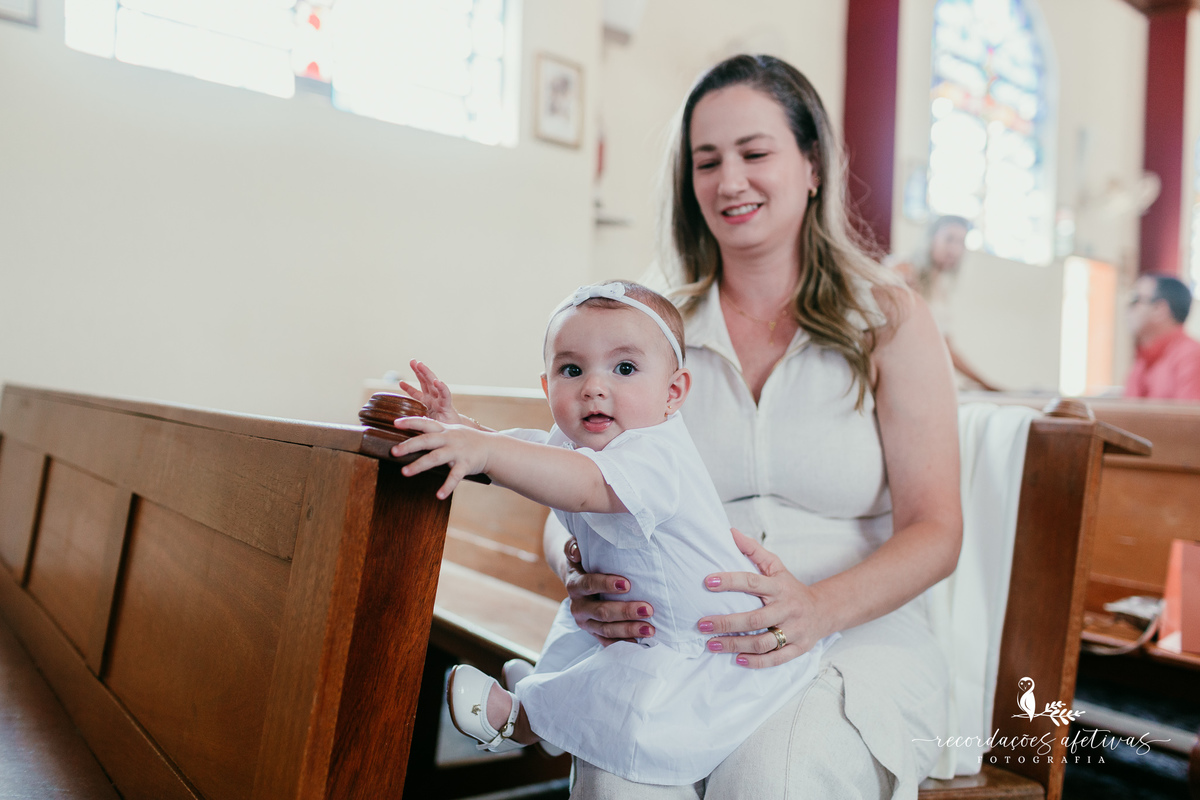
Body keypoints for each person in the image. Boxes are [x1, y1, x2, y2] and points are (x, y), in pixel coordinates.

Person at [545, 55, 962, 798]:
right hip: (680, 636)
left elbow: (937, 531)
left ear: (811, 165)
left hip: (851, 628)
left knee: (775, 775)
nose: (729, 181)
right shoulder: (649, 332)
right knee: (618, 779)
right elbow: (577, 476)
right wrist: (576, 567)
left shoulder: (889, 319)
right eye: (707, 162)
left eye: (755, 153)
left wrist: (816, 607)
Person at [389, 282, 835, 785]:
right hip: (639, 622)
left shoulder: (655, 455)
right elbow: (530, 448)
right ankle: (551, 699)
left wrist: (484, 453)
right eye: (571, 369)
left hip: (706, 643)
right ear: (546, 386)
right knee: (589, 645)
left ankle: (525, 720)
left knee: (633, 707)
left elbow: (582, 487)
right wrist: (463, 430)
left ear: (673, 393)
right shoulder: (580, 438)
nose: (593, 387)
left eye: (624, 369)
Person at [891, 215, 1001, 391]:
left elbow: (946, 348)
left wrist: (987, 386)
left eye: (961, 242)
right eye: (949, 239)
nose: (955, 249)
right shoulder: (904, 270)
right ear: (931, 238)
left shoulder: (939, 292)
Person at [1124, 273, 1200, 400]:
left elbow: (1190, 418)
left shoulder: (1191, 356)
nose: (1128, 308)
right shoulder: (1144, 358)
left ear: (1159, 309)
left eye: (1135, 300)